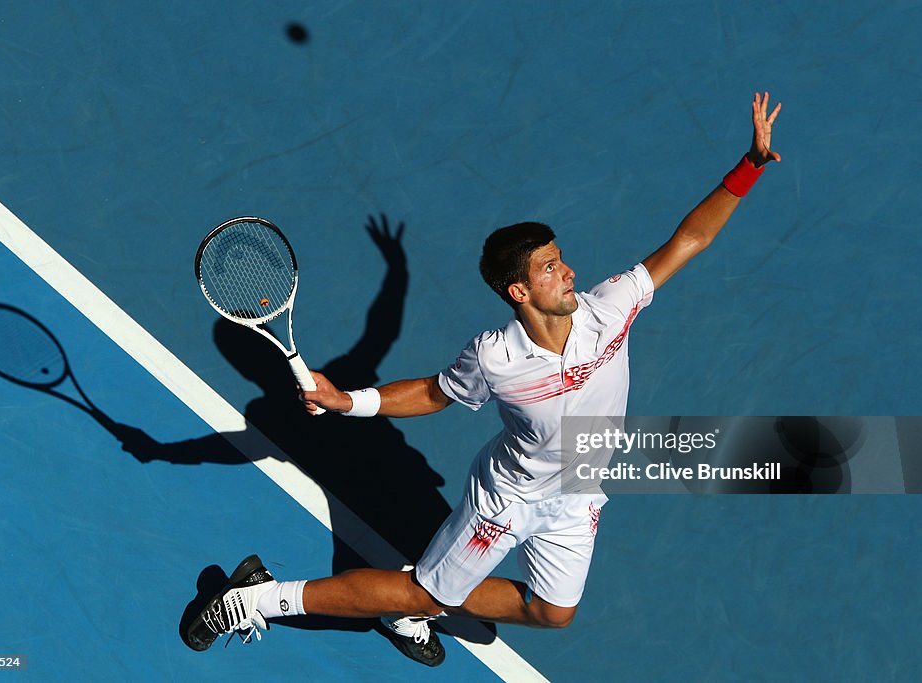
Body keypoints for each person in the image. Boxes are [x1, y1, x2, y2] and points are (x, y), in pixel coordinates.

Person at [186, 91, 782, 666]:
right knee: (425, 594)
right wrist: (347, 400)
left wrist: (749, 165)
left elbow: (689, 239)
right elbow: (430, 393)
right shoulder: (496, 357)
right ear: (519, 292)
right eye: (551, 267)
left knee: (552, 612)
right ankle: (250, 598)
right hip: (508, 500)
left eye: (561, 257)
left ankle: (417, 594)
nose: (569, 270)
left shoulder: (613, 306)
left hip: (575, 498)